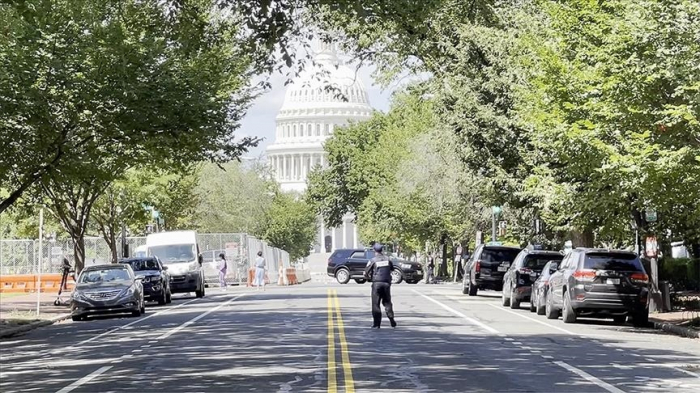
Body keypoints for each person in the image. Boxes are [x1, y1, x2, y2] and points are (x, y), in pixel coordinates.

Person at [364, 243, 396, 329]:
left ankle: (377, 324)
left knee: (376, 304)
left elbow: (366, 272)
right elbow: (392, 269)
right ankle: (391, 318)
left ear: (374, 251)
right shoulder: (388, 259)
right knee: (387, 302)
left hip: (376, 284)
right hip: (386, 283)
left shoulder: (373, 260)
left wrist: (367, 278)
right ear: (382, 250)